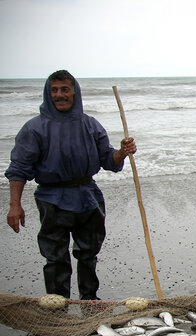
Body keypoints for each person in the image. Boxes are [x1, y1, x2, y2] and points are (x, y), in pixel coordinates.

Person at [4, 70, 136, 300]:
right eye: (54, 90)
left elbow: (108, 159)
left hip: (88, 195)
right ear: (48, 93)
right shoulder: (34, 128)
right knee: (55, 257)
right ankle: (58, 307)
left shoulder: (90, 124)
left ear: (74, 91)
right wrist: (15, 205)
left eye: (65, 89)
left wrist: (122, 153)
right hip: (51, 197)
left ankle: (89, 301)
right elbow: (18, 169)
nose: (59, 95)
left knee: (88, 253)